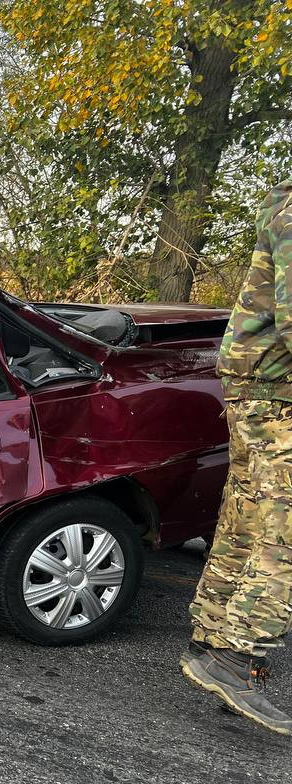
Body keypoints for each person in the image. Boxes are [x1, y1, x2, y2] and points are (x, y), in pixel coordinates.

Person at [183, 181, 292, 735]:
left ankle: (214, 639)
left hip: (263, 387)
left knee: (249, 520)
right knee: (282, 532)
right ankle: (237, 652)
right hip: (278, 390)